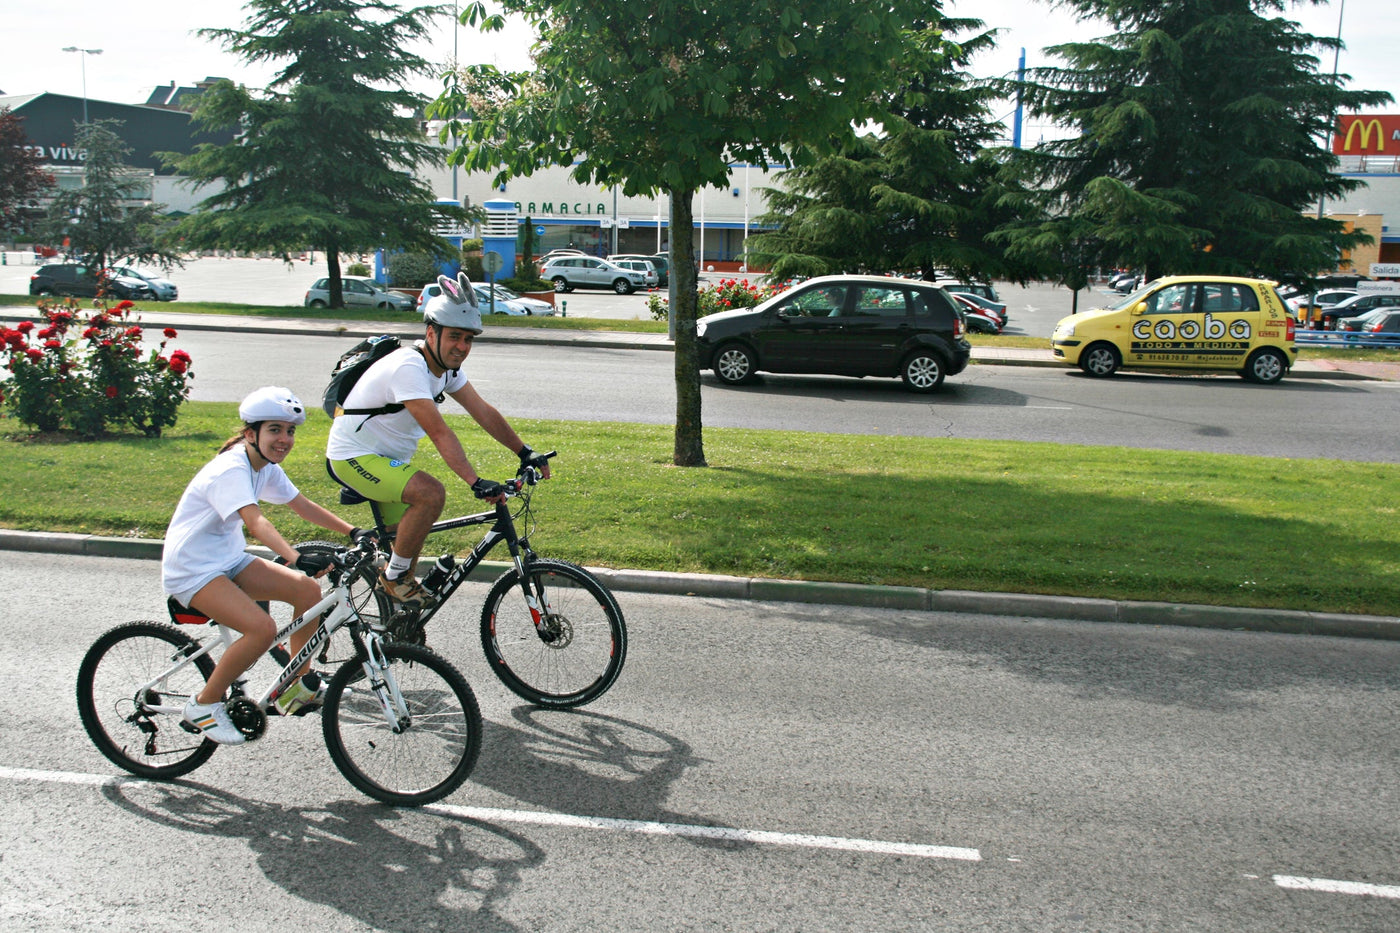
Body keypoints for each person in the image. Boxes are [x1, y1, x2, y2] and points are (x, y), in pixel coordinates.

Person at [325, 272, 551, 609]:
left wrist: (525, 452)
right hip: (353, 456)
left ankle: (397, 625)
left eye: (469, 339)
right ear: (432, 333)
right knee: (430, 495)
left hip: (387, 462)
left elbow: (483, 411)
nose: (462, 346)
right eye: (454, 337)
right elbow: (439, 432)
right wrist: (474, 481)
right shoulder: (409, 368)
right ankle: (392, 578)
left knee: (406, 549)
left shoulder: (447, 370)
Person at [163, 387, 360, 745]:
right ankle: (203, 705)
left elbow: (301, 504)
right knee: (261, 629)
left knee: (307, 590)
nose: (284, 439)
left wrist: (354, 531)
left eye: (290, 431)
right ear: (251, 433)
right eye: (275, 430)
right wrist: (297, 556)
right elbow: (256, 523)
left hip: (228, 560)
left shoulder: (263, 466)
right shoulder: (231, 469)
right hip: (193, 569)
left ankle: (295, 685)